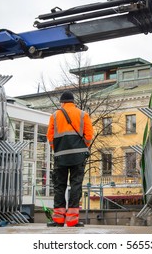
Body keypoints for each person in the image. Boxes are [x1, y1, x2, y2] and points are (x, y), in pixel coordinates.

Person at [46, 90, 93, 227]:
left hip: (60, 157)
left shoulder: (54, 116)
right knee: (76, 185)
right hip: (78, 156)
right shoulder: (83, 114)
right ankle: (72, 221)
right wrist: (83, 147)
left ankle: (58, 220)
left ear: (62, 102)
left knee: (59, 185)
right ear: (74, 102)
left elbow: (50, 137)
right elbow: (89, 135)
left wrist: (58, 149)